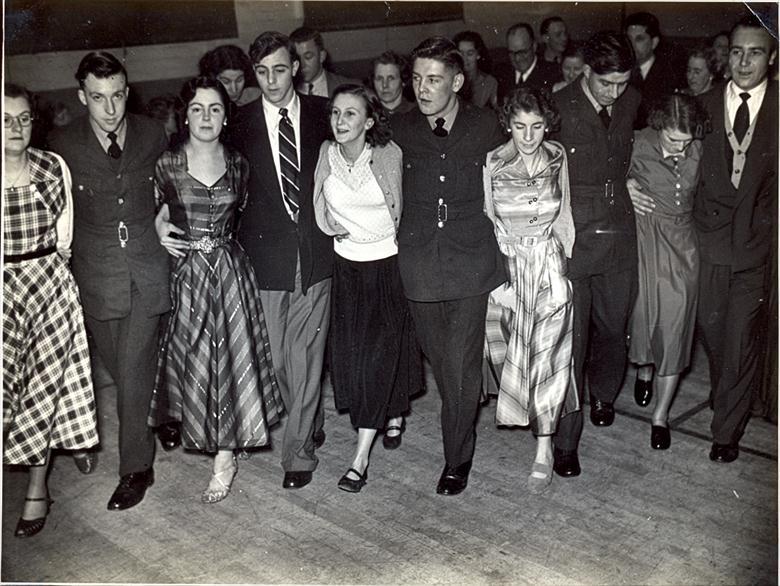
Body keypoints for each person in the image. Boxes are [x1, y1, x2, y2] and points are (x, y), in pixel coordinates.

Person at [148, 76, 284, 502]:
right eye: (197, 109)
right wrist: (157, 225)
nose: (206, 117)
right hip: (188, 276)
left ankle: (225, 456)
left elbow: (249, 217)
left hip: (229, 274)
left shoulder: (240, 164)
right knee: (198, 364)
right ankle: (211, 435)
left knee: (232, 360)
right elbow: (154, 212)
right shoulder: (167, 164)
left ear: (226, 116)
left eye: (215, 109)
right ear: (184, 115)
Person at [49, 51, 173, 510]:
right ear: (83, 97)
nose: (110, 108)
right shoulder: (61, 144)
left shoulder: (153, 134)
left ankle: (135, 468)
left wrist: (165, 217)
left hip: (146, 264)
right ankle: (162, 411)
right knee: (124, 374)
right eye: (98, 98)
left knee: (134, 367)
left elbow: (170, 189)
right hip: (95, 273)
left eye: (117, 95)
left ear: (127, 91)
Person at [391, 37, 507, 496]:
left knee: (458, 369)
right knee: (443, 365)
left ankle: (456, 458)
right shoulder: (399, 129)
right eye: (417, 78)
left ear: (457, 81)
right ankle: (463, 406)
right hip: (418, 263)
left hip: (471, 261)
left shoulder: (486, 126)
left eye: (433, 79)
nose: (422, 88)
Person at [231, 31, 332, 489]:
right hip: (265, 258)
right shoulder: (238, 123)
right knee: (275, 361)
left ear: (296, 67)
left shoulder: (322, 115)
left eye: (279, 69)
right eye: (262, 72)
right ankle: (307, 420)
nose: (272, 80)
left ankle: (298, 454)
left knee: (304, 355)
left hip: (316, 252)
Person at [313, 84, 422, 492]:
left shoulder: (389, 156)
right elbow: (316, 204)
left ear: (369, 121)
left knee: (378, 359)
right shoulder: (326, 154)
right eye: (336, 114)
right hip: (347, 270)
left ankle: (360, 457)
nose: (341, 122)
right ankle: (393, 411)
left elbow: (407, 207)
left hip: (388, 268)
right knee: (355, 361)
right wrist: (329, 227)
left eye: (351, 115)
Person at [3, 84, 99, 537]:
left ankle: (36, 491)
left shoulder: (51, 166)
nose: (16, 128)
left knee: (45, 389)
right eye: (6, 119)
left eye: (23, 118)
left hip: (48, 288)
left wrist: (48, 281)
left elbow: (65, 237)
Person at [550, 32, 641, 478]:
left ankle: (605, 391)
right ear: (586, 72)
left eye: (623, 82)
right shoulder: (557, 105)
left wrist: (635, 180)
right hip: (573, 238)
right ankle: (567, 441)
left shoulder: (631, 101)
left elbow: (632, 154)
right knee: (572, 342)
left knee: (612, 327)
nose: (615, 92)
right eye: (607, 83)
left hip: (619, 234)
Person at [483, 86, 579, 494]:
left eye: (536, 126)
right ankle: (534, 426)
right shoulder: (492, 163)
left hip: (550, 267)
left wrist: (567, 271)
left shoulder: (557, 156)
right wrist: (496, 280)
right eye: (519, 126)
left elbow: (566, 214)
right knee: (508, 359)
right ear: (507, 123)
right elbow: (487, 219)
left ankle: (543, 450)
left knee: (550, 359)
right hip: (509, 271)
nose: (528, 136)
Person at [693, 17, 777, 463]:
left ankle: (725, 430)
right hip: (708, 248)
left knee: (741, 338)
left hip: (756, 249)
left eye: (756, 52)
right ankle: (733, 397)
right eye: (737, 52)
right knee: (715, 336)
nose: (744, 62)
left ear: (773, 57)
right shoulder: (700, 105)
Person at [626, 94, 707, 449]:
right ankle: (644, 368)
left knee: (674, 327)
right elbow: (605, 174)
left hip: (682, 245)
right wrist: (625, 186)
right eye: (673, 139)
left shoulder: (701, 151)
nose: (680, 148)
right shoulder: (638, 141)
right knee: (642, 317)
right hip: (644, 238)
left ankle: (660, 416)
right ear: (658, 127)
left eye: (686, 142)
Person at [625, 11, 684, 127]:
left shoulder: (671, 74)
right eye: (629, 39)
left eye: (639, 39)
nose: (631, 45)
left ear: (654, 42)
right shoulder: (620, 71)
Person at [497, 23, 562, 104]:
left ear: (534, 46)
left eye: (522, 52)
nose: (517, 58)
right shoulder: (501, 75)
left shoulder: (554, 73)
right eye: (512, 53)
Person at [290, 27, 358, 98]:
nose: (302, 65)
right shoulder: (286, 91)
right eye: (296, 58)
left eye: (308, 57)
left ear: (322, 56)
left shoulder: (352, 88)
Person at [198, 44, 262, 109]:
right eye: (226, 82)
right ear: (212, 78)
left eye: (239, 80)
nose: (234, 89)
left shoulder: (256, 96)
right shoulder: (200, 103)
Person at [454, 30, 498, 109]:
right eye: (461, 53)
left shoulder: (490, 83)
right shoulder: (451, 81)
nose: (464, 58)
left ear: (478, 55)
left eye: (470, 54)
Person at [371, 51, 416, 115]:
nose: (384, 85)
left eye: (391, 78)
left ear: (403, 81)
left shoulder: (416, 113)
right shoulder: (367, 115)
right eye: (379, 79)